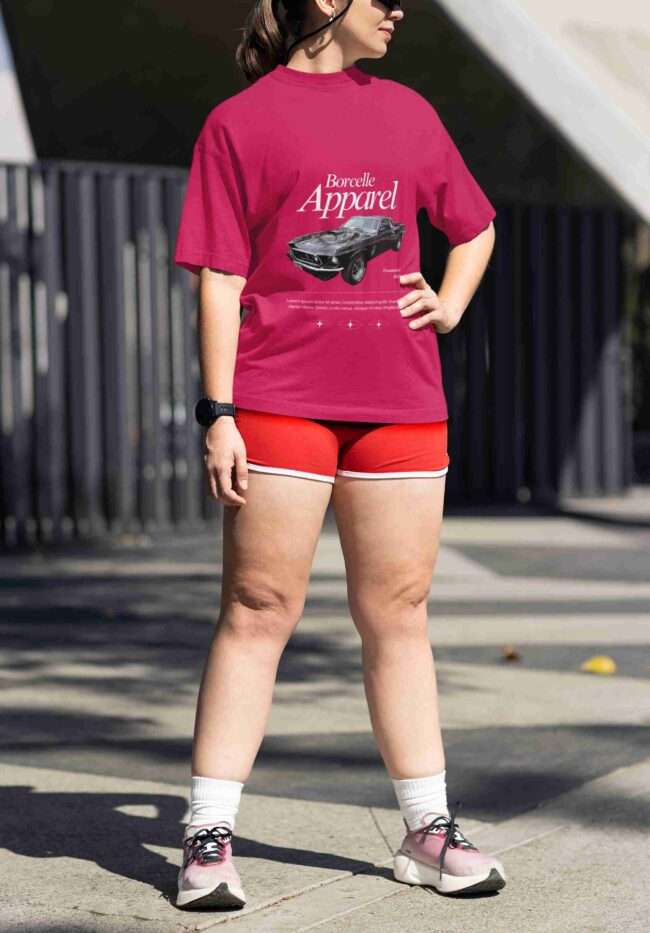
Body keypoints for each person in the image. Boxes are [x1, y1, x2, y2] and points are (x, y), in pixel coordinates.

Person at [173, 0, 504, 911]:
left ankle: (428, 829)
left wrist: (449, 301)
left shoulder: (409, 111)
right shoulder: (239, 122)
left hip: (401, 404)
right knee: (257, 608)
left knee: (398, 612)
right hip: (280, 401)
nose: (399, 9)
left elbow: (473, 225)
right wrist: (219, 410)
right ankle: (206, 837)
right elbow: (220, 273)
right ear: (325, 0)